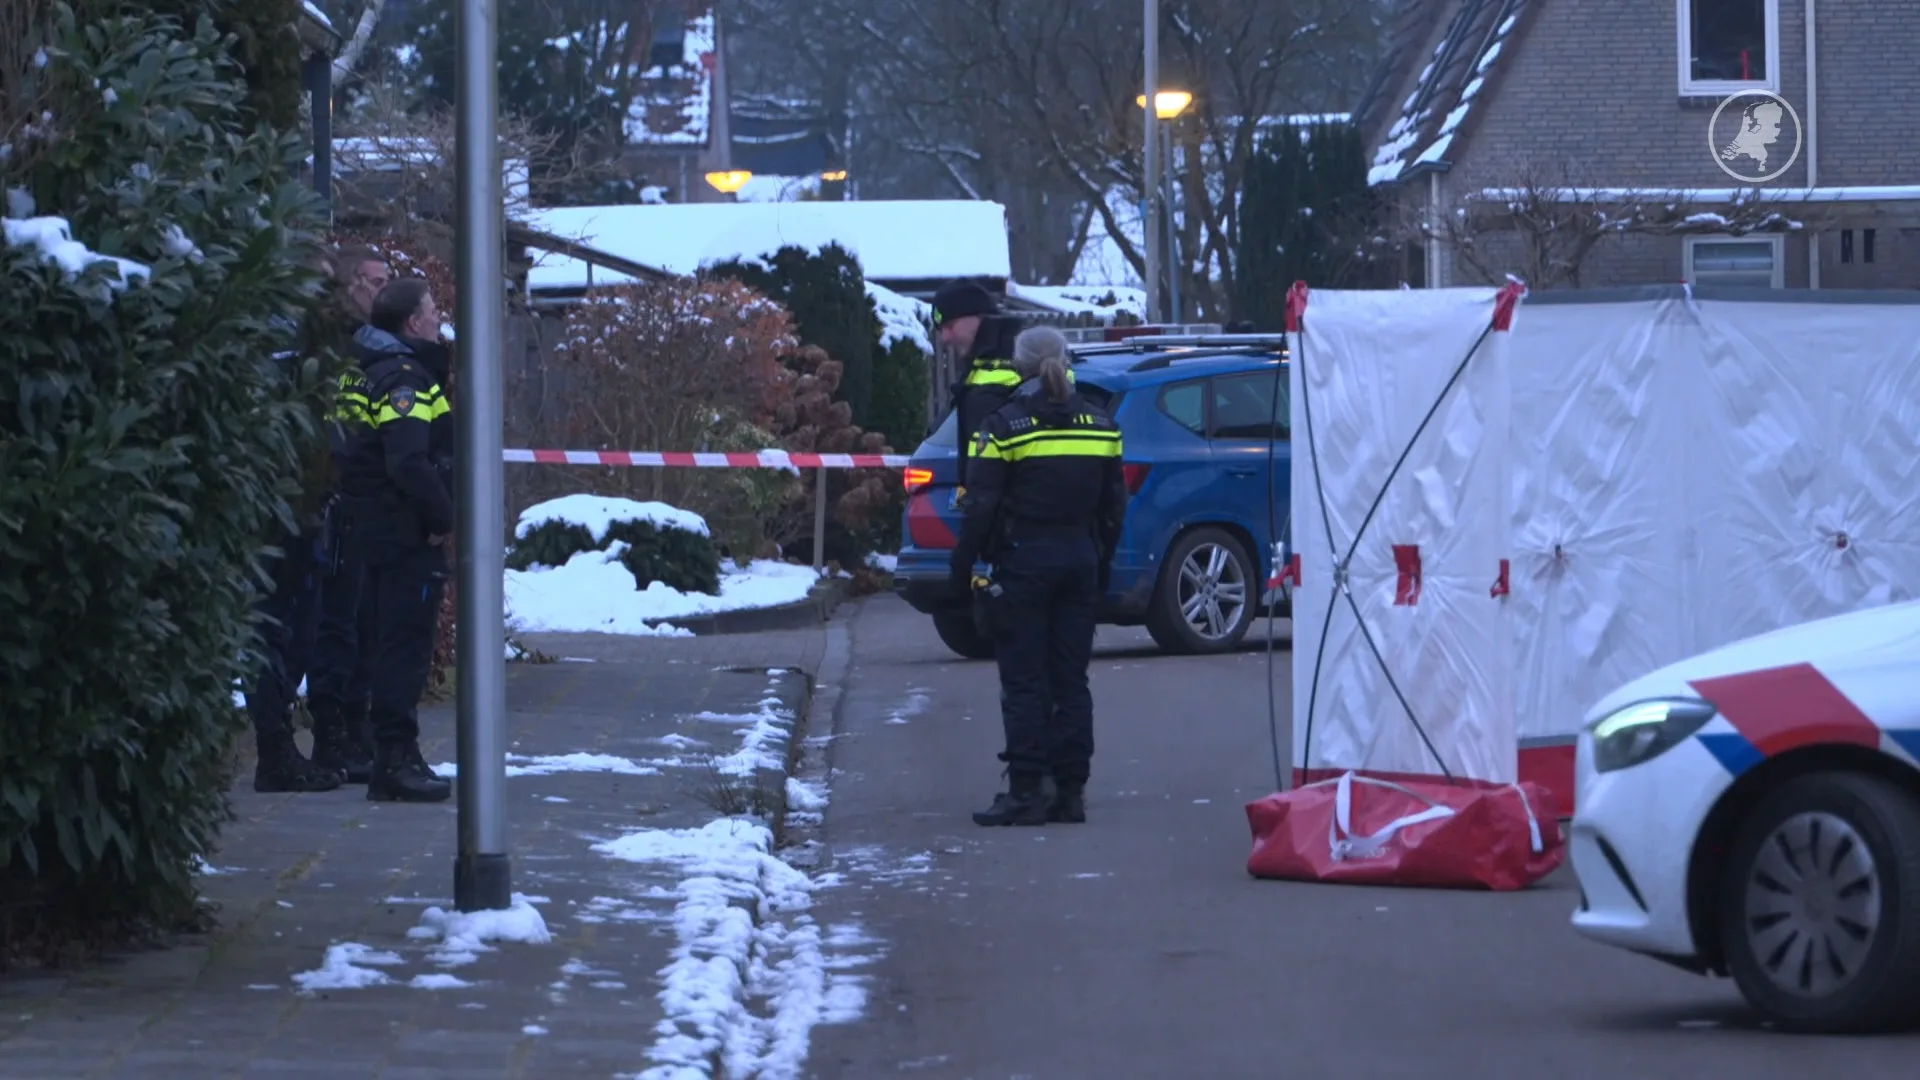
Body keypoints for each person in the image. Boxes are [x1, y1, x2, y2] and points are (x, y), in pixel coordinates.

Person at [949, 325, 1128, 827]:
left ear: (1019, 366)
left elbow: (981, 506)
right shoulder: (1102, 424)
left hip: (1024, 562)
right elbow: (1114, 507)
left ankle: (1027, 791)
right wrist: (1101, 562)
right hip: (1080, 560)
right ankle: (1070, 791)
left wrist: (962, 566)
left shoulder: (1004, 426)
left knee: (1025, 679)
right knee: (1071, 680)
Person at [336, 277, 456, 803]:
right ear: (413, 322)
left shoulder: (360, 370)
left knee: (378, 643)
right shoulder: (404, 378)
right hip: (404, 534)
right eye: (432, 311)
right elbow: (408, 460)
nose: (438, 319)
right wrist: (442, 515)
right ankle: (395, 760)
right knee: (403, 648)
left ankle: (393, 753)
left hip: (369, 528)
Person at [304, 246, 390, 783]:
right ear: (352, 283)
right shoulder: (336, 348)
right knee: (336, 623)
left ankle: (354, 728)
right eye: (375, 282)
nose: (382, 291)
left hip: (363, 498)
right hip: (339, 498)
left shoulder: (368, 345)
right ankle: (332, 732)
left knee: (361, 621)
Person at [930, 280, 1026, 488]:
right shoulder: (981, 366)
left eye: (950, 326)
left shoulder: (1022, 360)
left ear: (979, 317)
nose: (945, 338)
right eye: (941, 330)